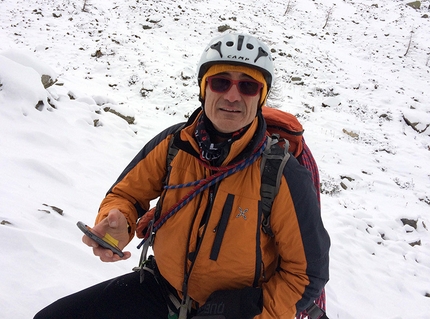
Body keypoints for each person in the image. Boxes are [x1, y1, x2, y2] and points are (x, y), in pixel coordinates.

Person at [34, 33, 330, 319]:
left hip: (240, 310)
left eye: (248, 86)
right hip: (163, 290)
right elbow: (127, 195)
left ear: (261, 97)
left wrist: (247, 313)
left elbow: (307, 274)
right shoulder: (175, 144)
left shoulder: (282, 174)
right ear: (204, 88)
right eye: (220, 82)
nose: (232, 95)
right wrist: (119, 223)